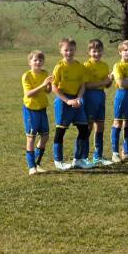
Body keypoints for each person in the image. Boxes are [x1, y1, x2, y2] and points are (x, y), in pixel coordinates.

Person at [51, 37, 90, 170]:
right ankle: (58, 161)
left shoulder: (80, 66)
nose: (69, 52)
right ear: (61, 51)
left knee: (84, 129)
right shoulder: (59, 67)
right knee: (60, 131)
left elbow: (83, 85)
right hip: (63, 101)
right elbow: (54, 87)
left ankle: (78, 160)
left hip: (77, 101)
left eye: (71, 50)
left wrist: (79, 98)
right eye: (66, 50)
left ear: (75, 50)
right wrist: (67, 100)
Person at [82, 39, 113, 166]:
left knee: (100, 126)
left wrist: (110, 80)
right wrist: (103, 82)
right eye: (94, 51)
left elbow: (107, 85)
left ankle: (98, 156)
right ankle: (83, 157)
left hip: (101, 96)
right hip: (90, 97)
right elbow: (86, 85)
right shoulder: (86, 66)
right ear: (89, 52)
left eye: (99, 51)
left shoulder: (104, 66)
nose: (97, 53)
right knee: (88, 127)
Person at [21, 50, 52, 174]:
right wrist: (43, 85)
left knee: (45, 136)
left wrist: (50, 85)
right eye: (35, 60)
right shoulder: (27, 76)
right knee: (31, 138)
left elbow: (48, 91)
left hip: (42, 109)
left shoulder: (45, 73)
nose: (38, 62)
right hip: (31, 110)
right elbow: (28, 94)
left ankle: (37, 163)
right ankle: (31, 167)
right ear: (30, 62)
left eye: (40, 60)